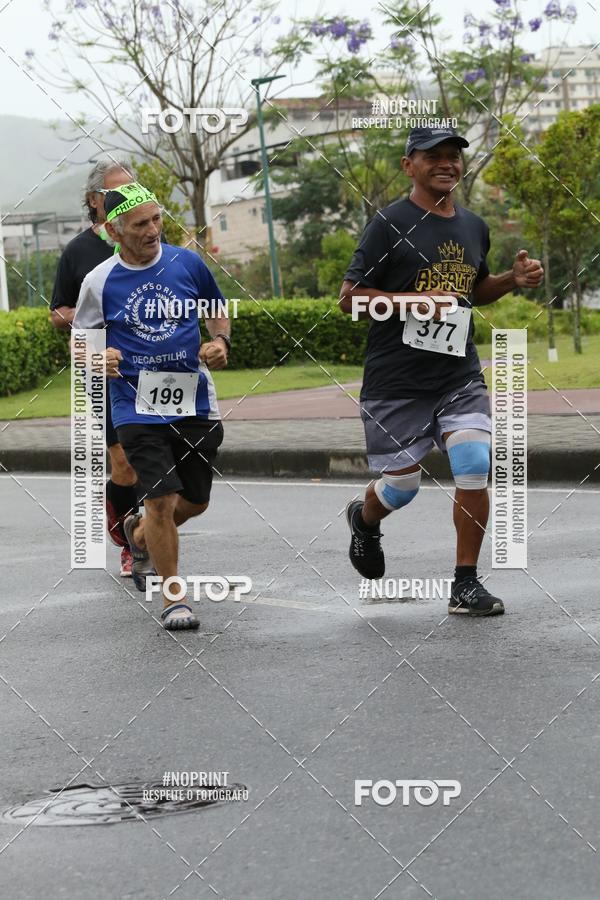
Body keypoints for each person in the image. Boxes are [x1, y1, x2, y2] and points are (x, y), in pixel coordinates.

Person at [339, 126, 543, 617]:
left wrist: (511, 280)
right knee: (401, 488)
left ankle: (465, 583)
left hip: (458, 375)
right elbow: (350, 299)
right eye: (433, 156)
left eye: (453, 155)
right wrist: (413, 302)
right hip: (396, 381)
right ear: (409, 165)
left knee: (474, 462)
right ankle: (365, 520)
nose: (446, 163)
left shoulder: (474, 225)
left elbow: (474, 291)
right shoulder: (388, 223)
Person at [73, 182, 230, 630]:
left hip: (193, 400)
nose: (153, 230)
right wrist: (96, 357)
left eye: (157, 219)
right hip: (135, 406)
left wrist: (220, 341)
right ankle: (173, 599)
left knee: (194, 502)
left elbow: (217, 309)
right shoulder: (98, 281)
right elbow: (80, 342)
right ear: (114, 231)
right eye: (141, 224)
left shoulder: (188, 263)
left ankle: (139, 533)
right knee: (160, 501)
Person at [51, 158, 139, 577]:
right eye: (117, 192)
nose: (127, 198)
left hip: (152, 364)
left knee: (159, 456)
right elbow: (58, 313)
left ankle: (148, 527)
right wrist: (96, 311)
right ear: (94, 200)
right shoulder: (78, 251)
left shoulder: (148, 239)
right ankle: (131, 541)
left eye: (133, 190)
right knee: (124, 461)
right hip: (101, 367)